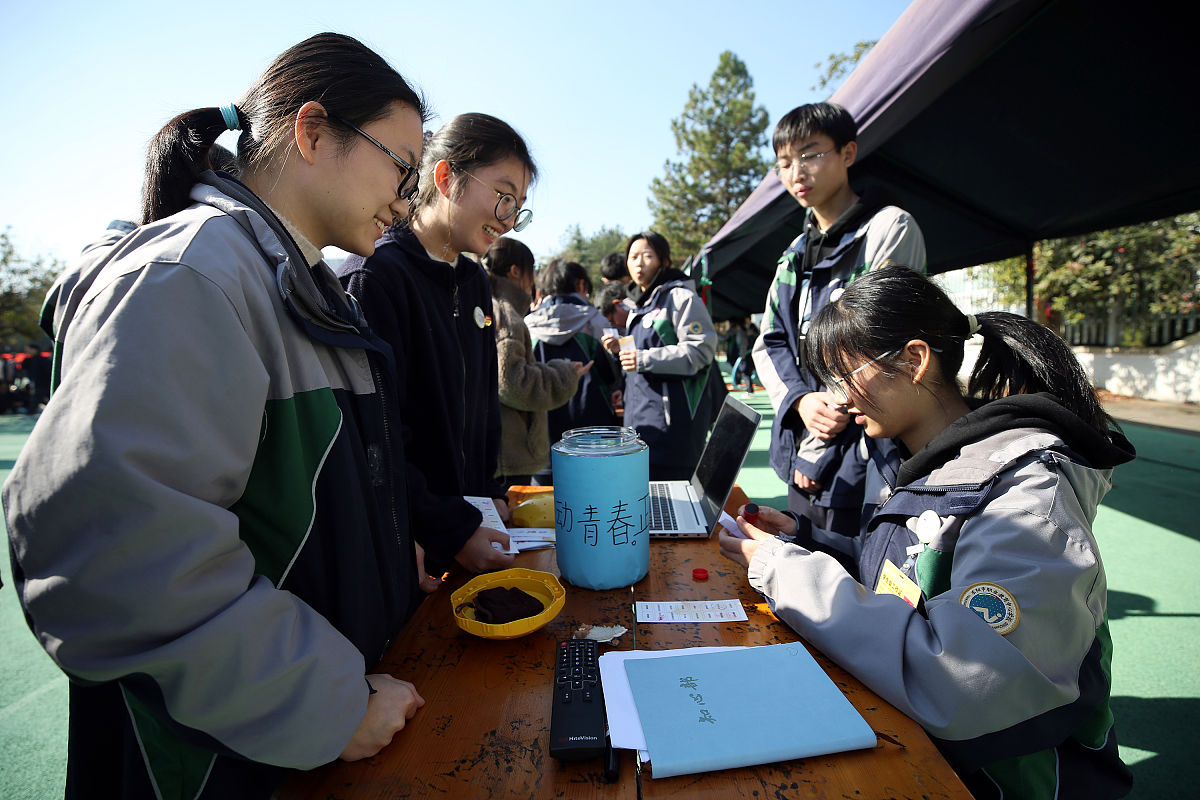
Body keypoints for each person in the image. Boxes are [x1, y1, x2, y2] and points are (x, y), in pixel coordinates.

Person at [3, 34, 430, 799]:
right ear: (311, 131)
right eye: (401, 166)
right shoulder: (195, 273)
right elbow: (112, 560)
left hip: (285, 747)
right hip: (221, 763)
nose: (407, 200)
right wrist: (326, 703)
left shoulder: (289, 281)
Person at [721, 266, 1135, 799]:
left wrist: (786, 571)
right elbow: (911, 574)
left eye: (847, 375)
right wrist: (808, 540)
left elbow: (961, 683)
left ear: (915, 360)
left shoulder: (1025, 494)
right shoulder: (938, 462)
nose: (839, 398)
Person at [337, 113, 534, 582]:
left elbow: (482, 407)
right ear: (445, 177)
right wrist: (449, 529)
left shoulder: (474, 282)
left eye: (519, 207)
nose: (508, 220)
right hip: (411, 548)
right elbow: (376, 438)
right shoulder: (376, 277)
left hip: (469, 531)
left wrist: (489, 493)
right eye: (504, 196)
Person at [751, 101, 927, 565]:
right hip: (807, 444)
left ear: (848, 153)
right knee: (802, 573)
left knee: (859, 573)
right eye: (784, 162)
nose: (796, 172)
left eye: (810, 154)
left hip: (865, 451)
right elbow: (769, 341)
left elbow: (874, 346)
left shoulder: (889, 228)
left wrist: (817, 445)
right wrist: (800, 402)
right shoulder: (793, 254)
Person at [602, 231, 718, 480]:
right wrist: (620, 350)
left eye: (647, 256)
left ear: (664, 261)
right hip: (639, 426)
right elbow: (640, 351)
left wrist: (643, 359)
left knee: (674, 496)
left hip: (673, 430)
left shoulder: (681, 297)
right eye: (633, 257)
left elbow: (700, 350)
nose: (639, 263)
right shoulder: (637, 304)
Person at [485, 239, 588, 486]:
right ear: (515, 271)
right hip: (509, 453)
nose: (534, 280)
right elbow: (511, 381)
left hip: (496, 449)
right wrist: (564, 374)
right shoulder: (505, 313)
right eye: (532, 270)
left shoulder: (487, 305)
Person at [525, 258, 620, 475]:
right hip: (594, 427)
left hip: (543, 427)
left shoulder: (528, 324)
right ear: (581, 284)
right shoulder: (596, 321)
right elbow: (612, 374)